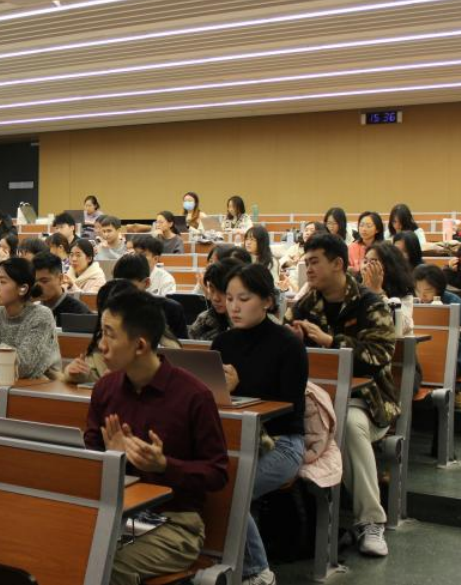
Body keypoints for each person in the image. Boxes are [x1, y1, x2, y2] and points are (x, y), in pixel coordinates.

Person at [84, 289, 228, 585]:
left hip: (175, 522)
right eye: (101, 332)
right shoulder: (105, 389)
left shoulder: (193, 395)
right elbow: (88, 458)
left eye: (110, 334)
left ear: (139, 345)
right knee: (61, 548)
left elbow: (217, 473)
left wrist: (164, 466)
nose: (101, 345)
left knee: (101, 566)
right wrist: (111, 457)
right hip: (118, 515)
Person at [289, 233, 396, 557]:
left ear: (338, 263)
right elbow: (282, 347)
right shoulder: (305, 305)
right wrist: (292, 341)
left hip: (367, 401)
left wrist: (331, 342)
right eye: (306, 262)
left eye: (315, 262)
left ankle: (370, 521)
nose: (308, 269)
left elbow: (380, 354)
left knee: (348, 424)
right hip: (314, 399)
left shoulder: (370, 303)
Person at [214, 263, 308, 585]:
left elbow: (288, 407)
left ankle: (258, 572)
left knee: (228, 488)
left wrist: (238, 387)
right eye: (229, 298)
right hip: (233, 440)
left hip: (281, 443)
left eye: (244, 299)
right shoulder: (222, 343)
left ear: (267, 301)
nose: (234, 307)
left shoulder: (288, 344)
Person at [414, 264, 461, 411]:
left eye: (427, 291)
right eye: (418, 291)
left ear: (439, 288)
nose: (422, 296)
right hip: (421, 356)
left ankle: (459, 391)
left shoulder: (454, 301)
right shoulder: (413, 302)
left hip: (449, 356)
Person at [61, 279, 136, 384]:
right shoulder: (100, 339)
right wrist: (78, 373)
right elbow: (95, 378)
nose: (101, 345)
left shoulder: (143, 348)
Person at [112, 254, 188, 340]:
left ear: (146, 283)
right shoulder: (110, 308)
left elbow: (182, 346)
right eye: (118, 285)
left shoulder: (170, 310)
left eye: (128, 286)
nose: (123, 291)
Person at [362, 243, 416, 335]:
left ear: (389, 266)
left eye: (373, 262)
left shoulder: (403, 291)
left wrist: (378, 292)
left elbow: (402, 326)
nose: (366, 266)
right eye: (365, 261)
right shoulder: (357, 288)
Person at [32, 251, 92, 325]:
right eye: (34, 281)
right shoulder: (31, 308)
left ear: (60, 279)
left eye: (44, 281)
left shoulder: (79, 313)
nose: (37, 286)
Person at [188, 257, 241, 340]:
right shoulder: (204, 320)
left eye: (222, 291)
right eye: (212, 290)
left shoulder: (251, 322)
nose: (215, 298)